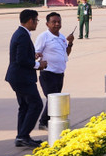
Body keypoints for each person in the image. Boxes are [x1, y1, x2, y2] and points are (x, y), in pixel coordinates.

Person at [5, 9, 47, 148]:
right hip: (22, 77)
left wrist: (32, 55)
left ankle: (22, 137)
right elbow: (21, 60)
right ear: (30, 20)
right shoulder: (22, 35)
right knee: (36, 104)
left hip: (17, 76)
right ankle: (23, 136)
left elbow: (21, 55)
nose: (36, 23)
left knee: (25, 106)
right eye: (36, 20)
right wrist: (38, 65)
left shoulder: (21, 33)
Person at [34, 12, 74, 130]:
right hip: (48, 73)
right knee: (52, 99)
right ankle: (43, 122)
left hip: (59, 73)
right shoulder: (43, 37)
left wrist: (70, 43)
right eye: (54, 22)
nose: (57, 24)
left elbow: (66, 54)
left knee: (55, 99)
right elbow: (35, 53)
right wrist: (37, 57)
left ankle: (49, 121)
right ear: (47, 24)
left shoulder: (62, 37)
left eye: (59, 22)